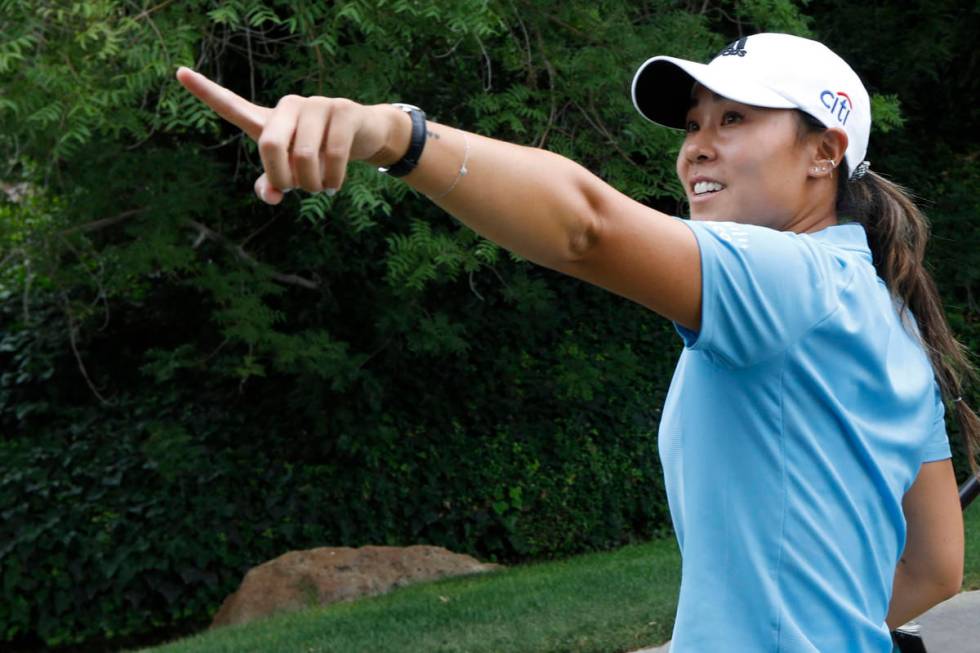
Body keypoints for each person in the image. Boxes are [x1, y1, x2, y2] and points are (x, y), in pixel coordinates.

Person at [176, 31, 978, 652]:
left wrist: (393, 135)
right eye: (694, 121)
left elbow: (585, 227)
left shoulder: (785, 280)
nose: (697, 142)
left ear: (825, 152)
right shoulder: (884, 313)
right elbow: (935, 566)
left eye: (734, 118)